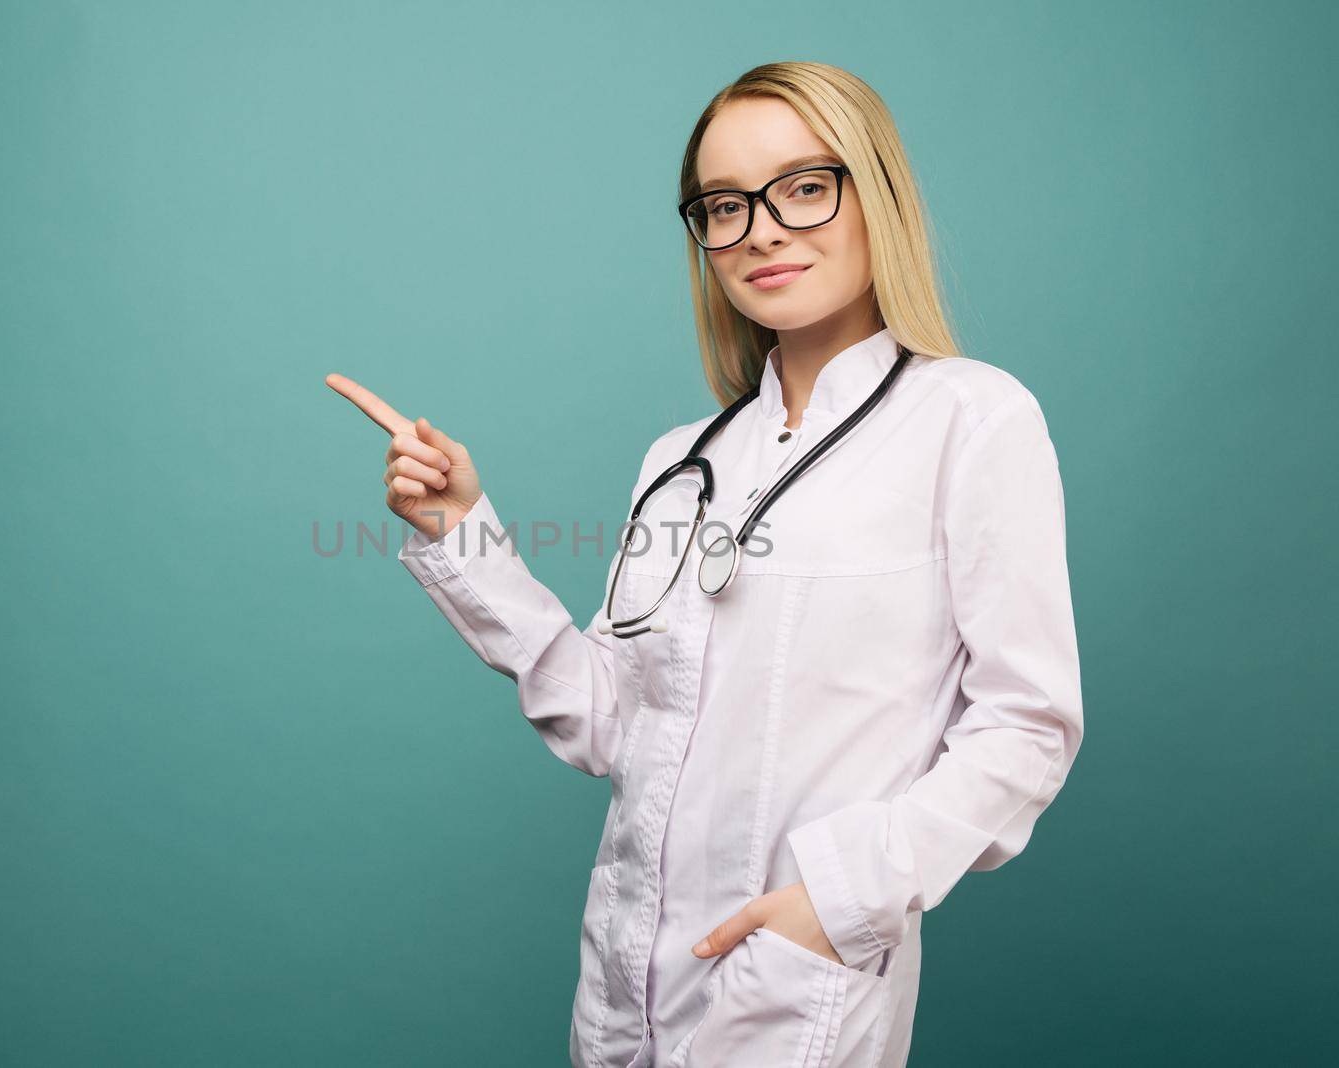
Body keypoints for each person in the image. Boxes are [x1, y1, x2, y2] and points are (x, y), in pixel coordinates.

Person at [327, 61, 1083, 1068]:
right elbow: (615, 723)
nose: (762, 229)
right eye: (724, 205)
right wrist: (465, 530)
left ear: (876, 192)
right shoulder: (685, 461)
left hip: (793, 991)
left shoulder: (971, 420)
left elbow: (1025, 726)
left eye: (803, 187)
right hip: (624, 984)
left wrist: (840, 898)